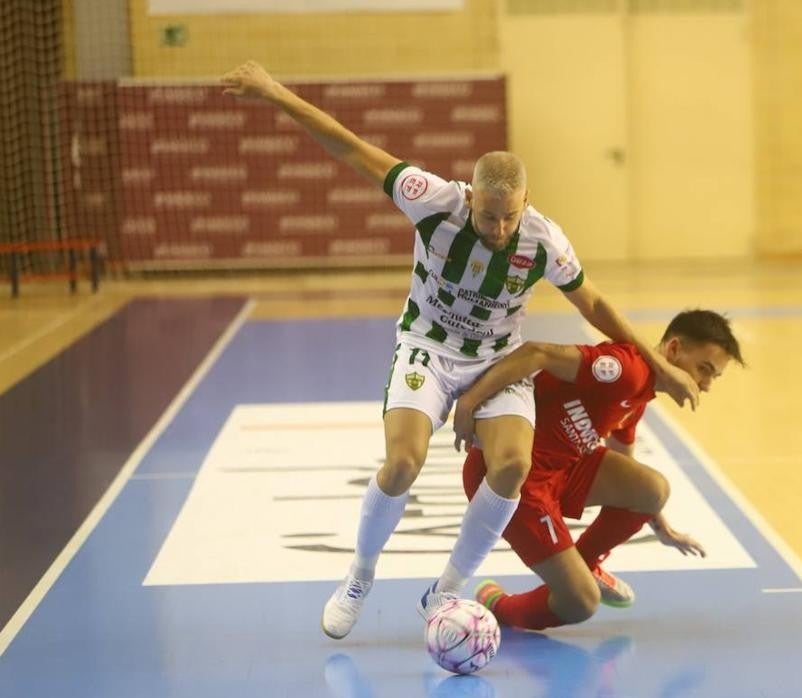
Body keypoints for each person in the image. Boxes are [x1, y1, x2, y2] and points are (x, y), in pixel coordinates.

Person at [219, 61, 700, 639]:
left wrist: (659, 365)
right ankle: (359, 575)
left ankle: (445, 590)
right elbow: (348, 147)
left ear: (528, 203)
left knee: (514, 465)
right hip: (427, 346)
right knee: (402, 464)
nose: (498, 228)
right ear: (471, 196)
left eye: (510, 217)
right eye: (488, 215)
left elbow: (595, 307)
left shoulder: (545, 241)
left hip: (497, 358)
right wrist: (273, 92)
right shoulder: (433, 199)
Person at [450, 309, 744, 630]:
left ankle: (584, 565)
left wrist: (661, 526)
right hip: (512, 480)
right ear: (673, 349)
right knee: (581, 603)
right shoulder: (625, 371)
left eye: (714, 377)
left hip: (559, 472)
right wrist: (469, 401)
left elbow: (627, 468)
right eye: (704, 369)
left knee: (654, 489)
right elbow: (539, 353)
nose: (705, 386)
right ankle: (499, 606)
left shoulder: (640, 395)